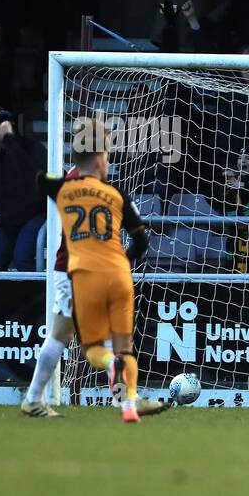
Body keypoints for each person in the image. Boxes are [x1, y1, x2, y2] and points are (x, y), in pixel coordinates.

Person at [34, 117, 162, 424]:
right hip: (75, 269)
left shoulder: (68, 183)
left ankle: (125, 400)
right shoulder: (97, 185)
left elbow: (41, 179)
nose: (108, 156)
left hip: (81, 269)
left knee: (88, 342)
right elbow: (141, 240)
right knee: (70, 338)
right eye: (105, 148)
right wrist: (124, 260)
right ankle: (37, 397)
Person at [0, 108, 46, 272]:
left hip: (35, 215)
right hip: (8, 222)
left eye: (7, 127)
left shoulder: (33, 149)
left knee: (22, 258)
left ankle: (38, 296)